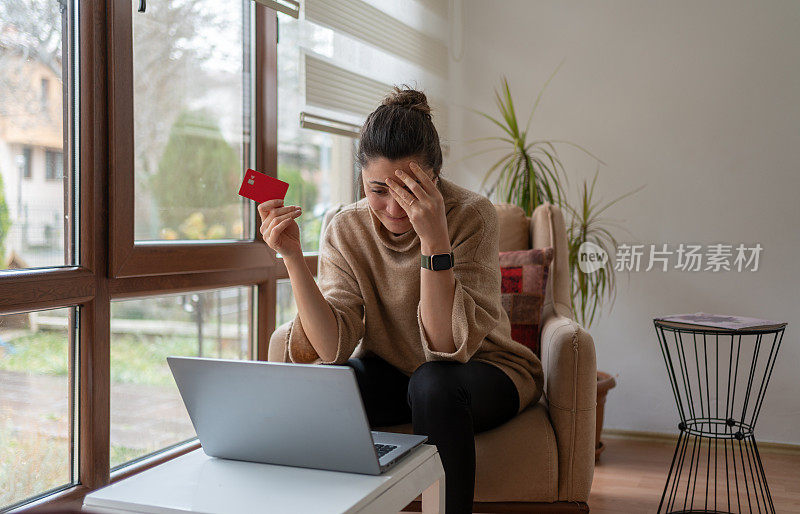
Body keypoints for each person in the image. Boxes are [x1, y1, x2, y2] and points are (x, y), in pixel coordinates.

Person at [257, 86, 544, 514]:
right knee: (327, 388)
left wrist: (434, 238)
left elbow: (446, 348)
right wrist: (293, 257)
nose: (393, 208)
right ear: (361, 180)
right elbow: (330, 348)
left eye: (409, 189)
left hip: (482, 370)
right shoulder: (345, 228)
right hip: (396, 371)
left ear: (436, 176)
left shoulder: (471, 214)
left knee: (434, 385)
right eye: (378, 190)